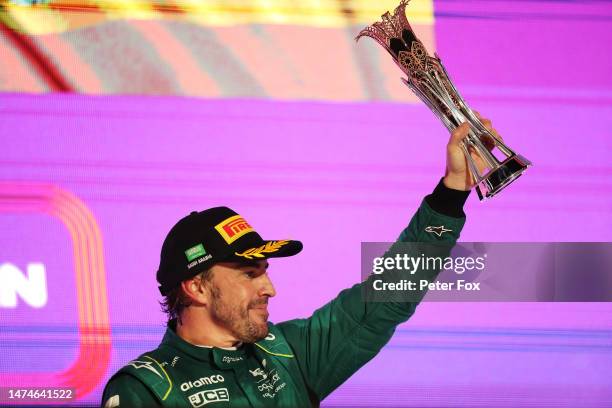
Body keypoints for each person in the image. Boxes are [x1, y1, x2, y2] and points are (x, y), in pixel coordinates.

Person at [101, 118, 497, 408]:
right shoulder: (146, 389)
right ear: (196, 286)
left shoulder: (288, 353)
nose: (269, 287)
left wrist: (450, 194)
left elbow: (387, 297)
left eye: (266, 271)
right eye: (248, 273)